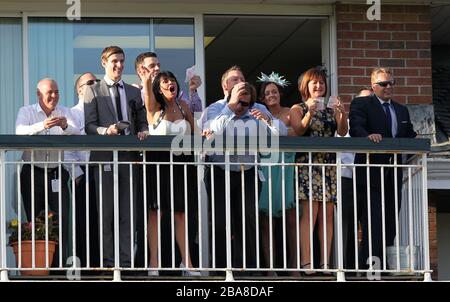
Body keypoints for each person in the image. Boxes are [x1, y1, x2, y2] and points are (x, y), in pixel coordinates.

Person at [202, 65, 285, 272]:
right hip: (220, 171)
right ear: (224, 86)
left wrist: (266, 119)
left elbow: (281, 133)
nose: (239, 83)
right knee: (220, 221)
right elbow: (212, 131)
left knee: (247, 220)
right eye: (234, 80)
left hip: (248, 171)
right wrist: (230, 106)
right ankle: (220, 270)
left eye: (242, 79)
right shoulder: (215, 107)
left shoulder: (258, 108)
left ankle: (249, 269)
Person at [84, 46, 148, 270]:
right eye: (114, 61)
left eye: (121, 61)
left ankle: (126, 262)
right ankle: (109, 263)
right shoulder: (93, 90)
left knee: (127, 214)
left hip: (128, 160)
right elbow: (89, 126)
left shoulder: (132, 91)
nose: (119, 65)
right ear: (104, 62)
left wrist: (143, 130)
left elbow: (142, 121)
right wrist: (106, 131)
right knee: (106, 214)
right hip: (103, 160)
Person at [349, 67, 416, 269]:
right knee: (373, 225)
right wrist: (368, 136)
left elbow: (409, 135)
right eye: (384, 84)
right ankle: (369, 270)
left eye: (391, 83)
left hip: (393, 173)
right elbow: (356, 128)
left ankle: (384, 268)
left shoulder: (401, 110)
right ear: (373, 86)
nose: (388, 87)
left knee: (390, 224)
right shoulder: (362, 103)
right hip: (370, 174)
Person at [140, 68, 199, 276]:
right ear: (158, 87)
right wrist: (147, 81)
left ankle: (188, 263)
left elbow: (196, 131)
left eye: (171, 80)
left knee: (182, 214)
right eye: (164, 81)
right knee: (156, 212)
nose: (169, 83)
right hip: (160, 164)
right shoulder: (155, 107)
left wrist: (206, 131)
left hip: (183, 163)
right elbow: (147, 100)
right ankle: (153, 262)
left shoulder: (183, 106)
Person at [16, 78, 80, 266]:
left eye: (57, 92)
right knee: (33, 220)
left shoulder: (65, 112)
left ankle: (58, 267)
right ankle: (37, 266)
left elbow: (77, 132)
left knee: (61, 220)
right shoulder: (26, 111)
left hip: (56, 172)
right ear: (38, 94)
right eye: (49, 92)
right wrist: (42, 126)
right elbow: (19, 132)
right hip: (32, 172)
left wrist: (64, 126)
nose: (54, 96)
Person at [290, 66, 348, 273]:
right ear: (306, 86)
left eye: (322, 82)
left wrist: (342, 114)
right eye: (314, 82)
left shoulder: (331, 109)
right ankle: (307, 262)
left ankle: (325, 263)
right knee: (310, 215)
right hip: (308, 165)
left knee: (328, 215)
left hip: (328, 165)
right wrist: (310, 112)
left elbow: (342, 132)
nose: (319, 85)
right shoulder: (298, 108)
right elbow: (298, 130)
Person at [256, 72, 298, 276]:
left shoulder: (291, 112)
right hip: (266, 165)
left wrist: (274, 126)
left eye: (274, 91)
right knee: (266, 220)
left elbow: (297, 133)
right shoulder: (257, 113)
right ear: (262, 98)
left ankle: (294, 266)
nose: (271, 95)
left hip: (287, 166)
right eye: (267, 93)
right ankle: (270, 268)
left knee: (291, 219)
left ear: (280, 94)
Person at [64, 72, 100, 270]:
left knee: (104, 221)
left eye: (97, 82)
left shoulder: (102, 112)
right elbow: (67, 148)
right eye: (90, 83)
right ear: (79, 90)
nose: (95, 84)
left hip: (104, 171)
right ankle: (86, 267)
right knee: (84, 223)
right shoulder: (72, 113)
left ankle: (103, 264)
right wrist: (77, 174)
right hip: (84, 173)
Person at [340, 87, 372, 270]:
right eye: (364, 100)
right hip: (348, 179)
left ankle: (368, 267)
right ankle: (350, 267)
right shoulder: (347, 124)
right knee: (349, 224)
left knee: (369, 224)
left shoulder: (378, 125)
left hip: (370, 179)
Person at [134, 51, 203, 114]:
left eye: (158, 65)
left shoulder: (174, 92)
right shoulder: (135, 94)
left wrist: (193, 91)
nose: (157, 68)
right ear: (140, 71)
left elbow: (196, 114)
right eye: (152, 66)